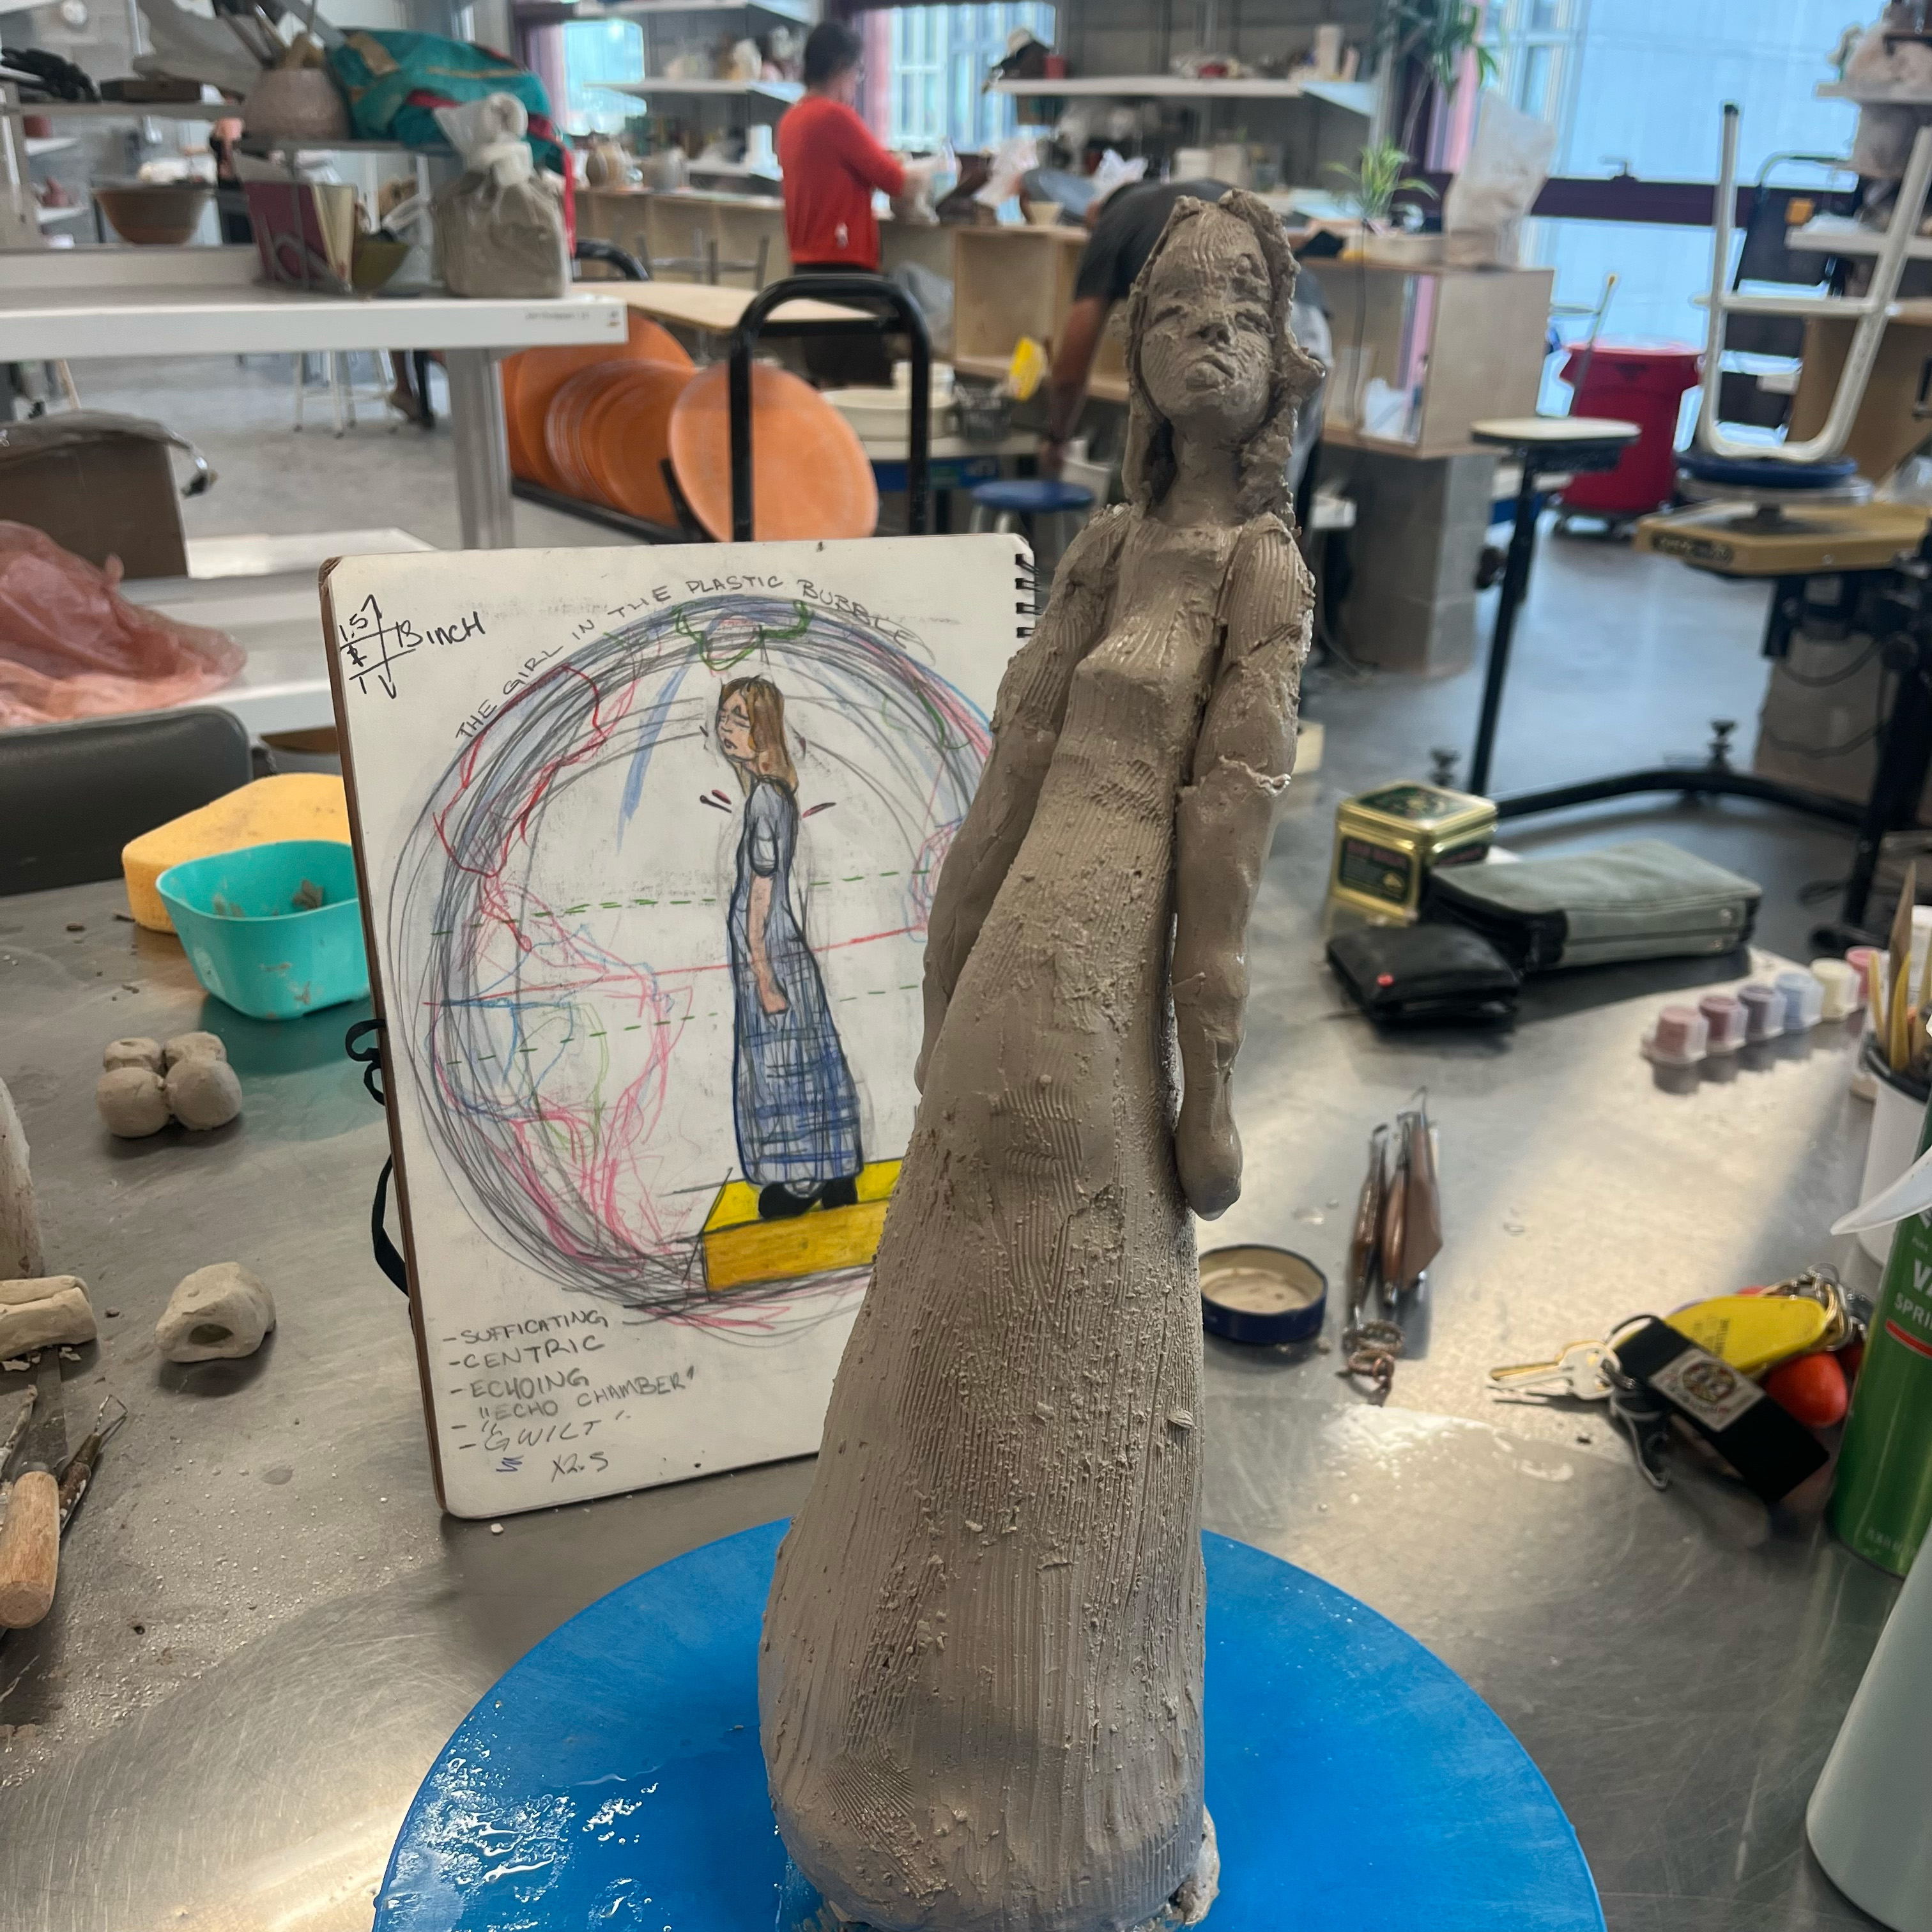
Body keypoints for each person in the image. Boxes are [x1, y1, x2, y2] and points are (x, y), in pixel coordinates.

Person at [762, 190, 1320, 1929]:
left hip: (1093, 994)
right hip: (1026, 973)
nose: (1205, 336)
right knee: (985, 1320)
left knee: (1055, 1337)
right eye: (1174, 311)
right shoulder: (1107, 549)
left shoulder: (1262, 574)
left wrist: (1207, 1088)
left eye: (1240, 309)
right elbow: (1006, 779)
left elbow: (1225, 853)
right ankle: (923, 1784)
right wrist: (945, 983)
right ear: (1133, 353)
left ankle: (1060, 1812)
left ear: (1285, 352)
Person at [1041, 175, 1330, 488]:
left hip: (1249, 330)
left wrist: (1057, 437)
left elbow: (1070, 370)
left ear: (1096, 215)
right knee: (1275, 489)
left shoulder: (1110, 224)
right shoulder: (1201, 191)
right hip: (1312, 324)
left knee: (1204, 491)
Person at [716, 677, 864, 1222]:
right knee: (804, 1056)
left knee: (781, 1064)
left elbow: (761, 891)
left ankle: (801, 1182)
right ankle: (833, 1173)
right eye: (724, 717)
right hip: (777, 949)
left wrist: (761, 972)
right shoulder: (773, 793)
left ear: (764, 730)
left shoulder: (765, 800)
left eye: (739, 719)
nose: (726, 728)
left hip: (771, 952)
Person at [778, 22, 930, 387]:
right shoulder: (835, 117)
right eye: (858, 71)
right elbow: (895, 181)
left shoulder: (791, 119)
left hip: (805, 271)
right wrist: (931, 170)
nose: (857, 81)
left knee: (828, 383)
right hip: (844, 274)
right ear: (841, 67)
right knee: (865, 388)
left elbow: (839, 172)